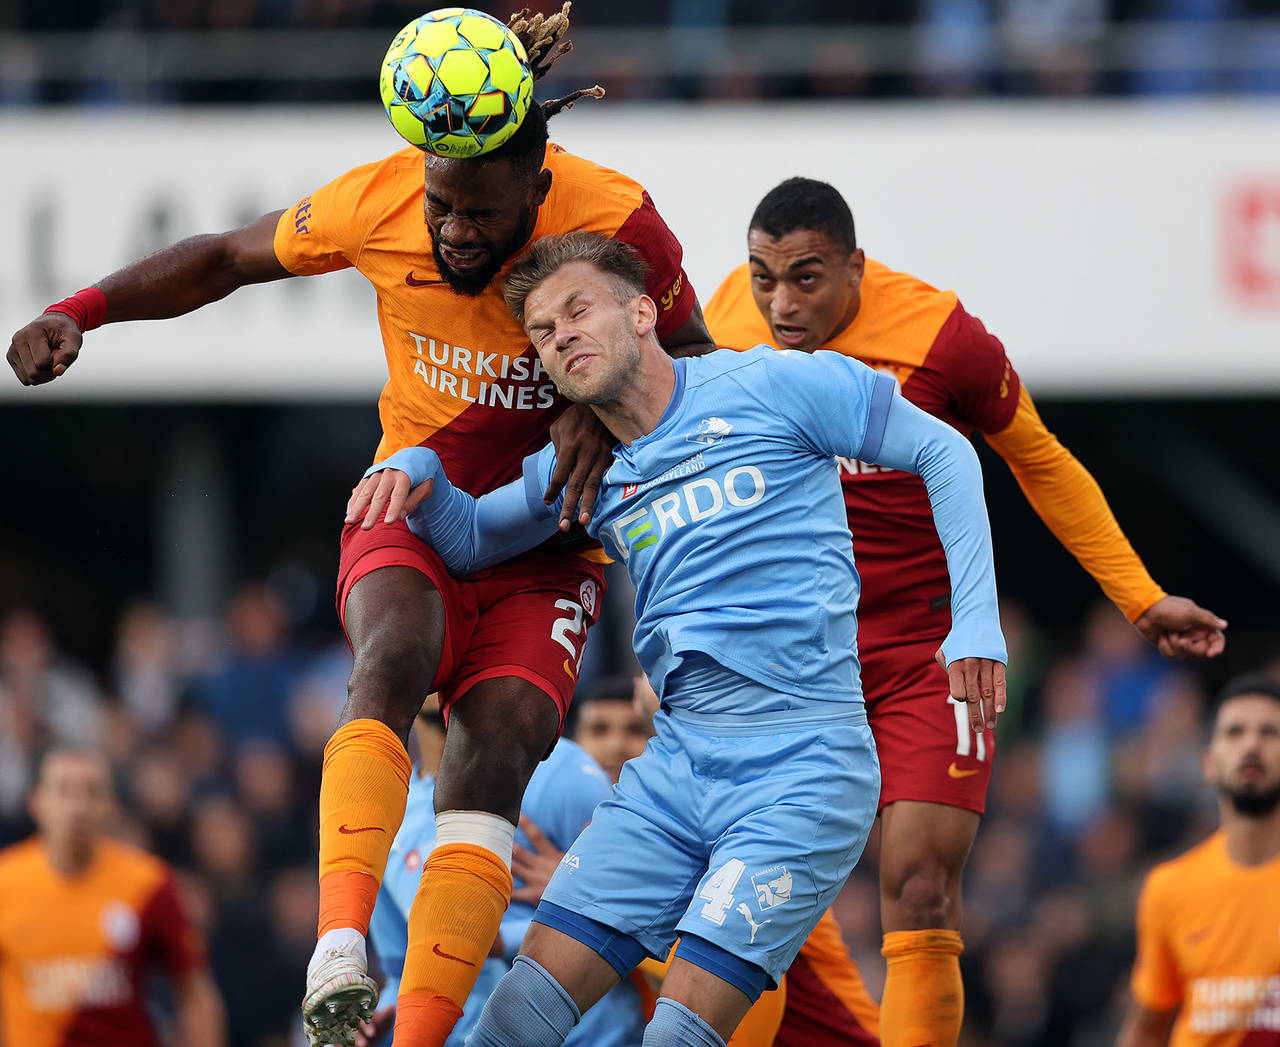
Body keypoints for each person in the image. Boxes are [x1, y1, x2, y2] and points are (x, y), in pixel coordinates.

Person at [6, 9, 712, 1046]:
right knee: (389, 659)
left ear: (536, 181)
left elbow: (698, 361)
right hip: (414, 501)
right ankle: (339, 942)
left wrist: (605, 405)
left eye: (480, 213)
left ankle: (415, 1033)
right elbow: (226, 257)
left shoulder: (618, 221)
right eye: (441, 205)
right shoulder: (377, 199)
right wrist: (83, 309)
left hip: (550, 543)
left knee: (495, 755)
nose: (452, 230)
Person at [347, 229, 1006, 1046]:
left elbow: (943, 449)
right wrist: (419, 469)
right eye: (544, 332)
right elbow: (473, 535)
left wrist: (976, 620)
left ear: (642, 312)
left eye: (578, 311)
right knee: (511, 1020)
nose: (563, 337)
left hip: (802, 769)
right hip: (675, 771)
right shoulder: (586, 470)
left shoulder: (774, 382)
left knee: (676, 1035)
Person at [703, 177, 1228, 1047]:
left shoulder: (942, 338)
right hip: (792, 655)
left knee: (918, 885)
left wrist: (1137, 594)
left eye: (806, 277)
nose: (781, 303)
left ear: (855, 267)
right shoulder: (723, 320)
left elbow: (1041, 460)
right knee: (752, 889)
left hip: (924, 652)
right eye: (765, 277)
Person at [362, 707, 647, 1047]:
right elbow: (401, 972)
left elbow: (641, 917)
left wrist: (505, 936)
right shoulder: (390, 816)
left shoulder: (565, 773)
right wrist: (378, 1023)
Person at [0, 748, 225, 1047]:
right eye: (64, 791)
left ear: (111, 805)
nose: (78, 807)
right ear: (36, 801)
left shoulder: (149, 885)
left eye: (92, 792)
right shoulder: (5, 884)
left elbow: (196, 994)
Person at [1117, 674, 1280, 1047]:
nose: (1251, 744)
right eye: (1235, 732)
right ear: (1209, 762)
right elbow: (1147, 1029)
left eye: (1270, 732)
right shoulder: (1170, 888)